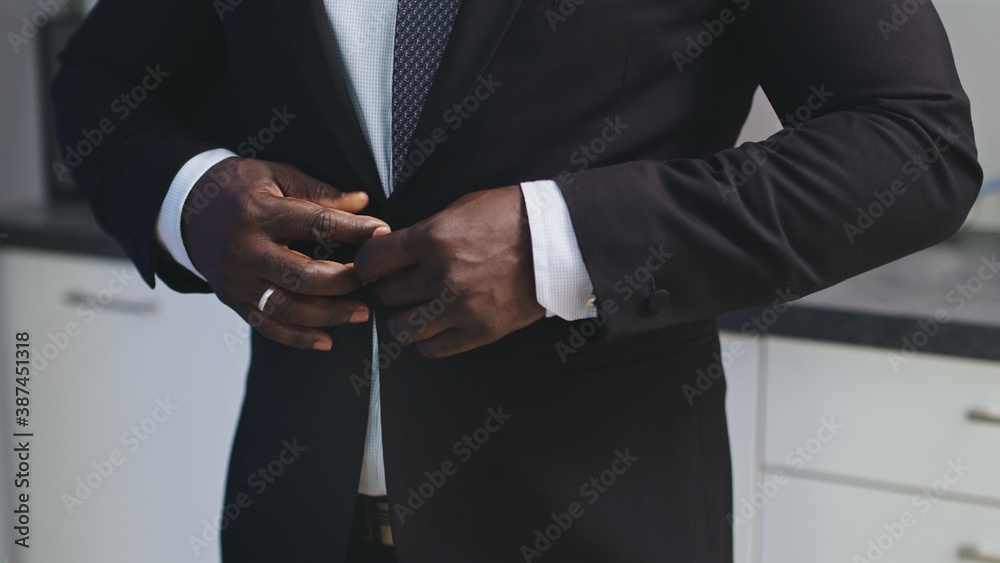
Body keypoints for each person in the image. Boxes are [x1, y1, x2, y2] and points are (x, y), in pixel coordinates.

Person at [52, 0, 982, 561]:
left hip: (595, 523)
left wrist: (561, 242)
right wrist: (188, 198)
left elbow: (913, 142)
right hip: (294, 517)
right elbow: (106, 77)